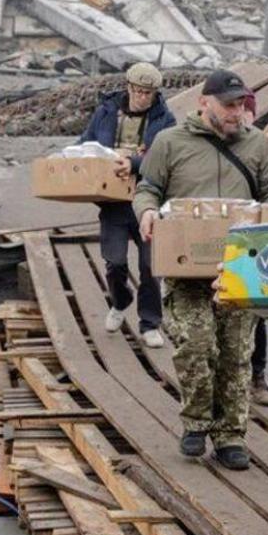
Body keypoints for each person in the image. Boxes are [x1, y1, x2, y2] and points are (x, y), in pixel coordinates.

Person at [134, 69, 268, 470]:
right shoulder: (169, 142)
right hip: (186, 268)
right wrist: (147, 212)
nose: (238, 113)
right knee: (196, 346)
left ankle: (231, 435)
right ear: (205, 103)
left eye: (242, 105)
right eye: (229, 105)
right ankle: (196, 422)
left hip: (238, 268)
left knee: (236, 354)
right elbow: (147, 187)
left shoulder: (256, 146)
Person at [78, 62, 175, 347]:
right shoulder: (106, 112)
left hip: (148, 202)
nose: (141, 97)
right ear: (128, 87)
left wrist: (133, 163)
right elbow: (86, 142)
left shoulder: (165, 122)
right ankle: (120, 301)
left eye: (147, 92)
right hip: (113, 202)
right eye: (137, 90)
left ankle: (150, 323)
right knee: (115, 261)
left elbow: (167, 160)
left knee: (150, 266)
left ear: (155, 93)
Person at [239, 90, 268, 408]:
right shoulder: (212, 142)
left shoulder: (262, 147)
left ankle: (257, 377)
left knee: (257, 311)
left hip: (255, 237)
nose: (240, 116)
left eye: (246, 111)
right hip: (221, 235)